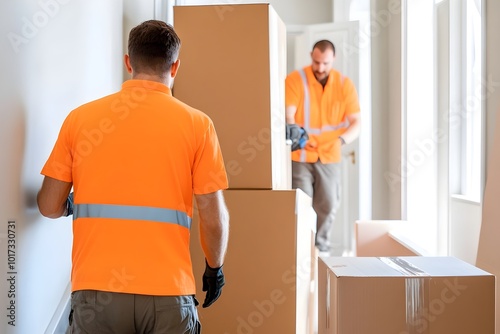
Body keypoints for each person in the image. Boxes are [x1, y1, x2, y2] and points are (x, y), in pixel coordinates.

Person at [37, 20, 230, 334]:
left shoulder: (81, 119)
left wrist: (70, 204)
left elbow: (48, 205)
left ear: (128, 62)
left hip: (97, 292)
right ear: (175, 66)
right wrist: (214, 267)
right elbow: (212, 215)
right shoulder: (198, 125)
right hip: (168, 292)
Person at [285, 40, 360, 254]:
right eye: (316, 62)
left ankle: (320, 248)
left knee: (327, 204)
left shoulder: (345, 85)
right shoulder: (295, 79)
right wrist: (293, 129)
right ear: (311, 56)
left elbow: (356, 121)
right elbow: (290, 114)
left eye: (325, 63)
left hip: (330, 154)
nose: (320, 68)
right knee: (302, 204)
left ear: (333, 59)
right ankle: (300, 249)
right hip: (302, 154)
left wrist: (341, 141)